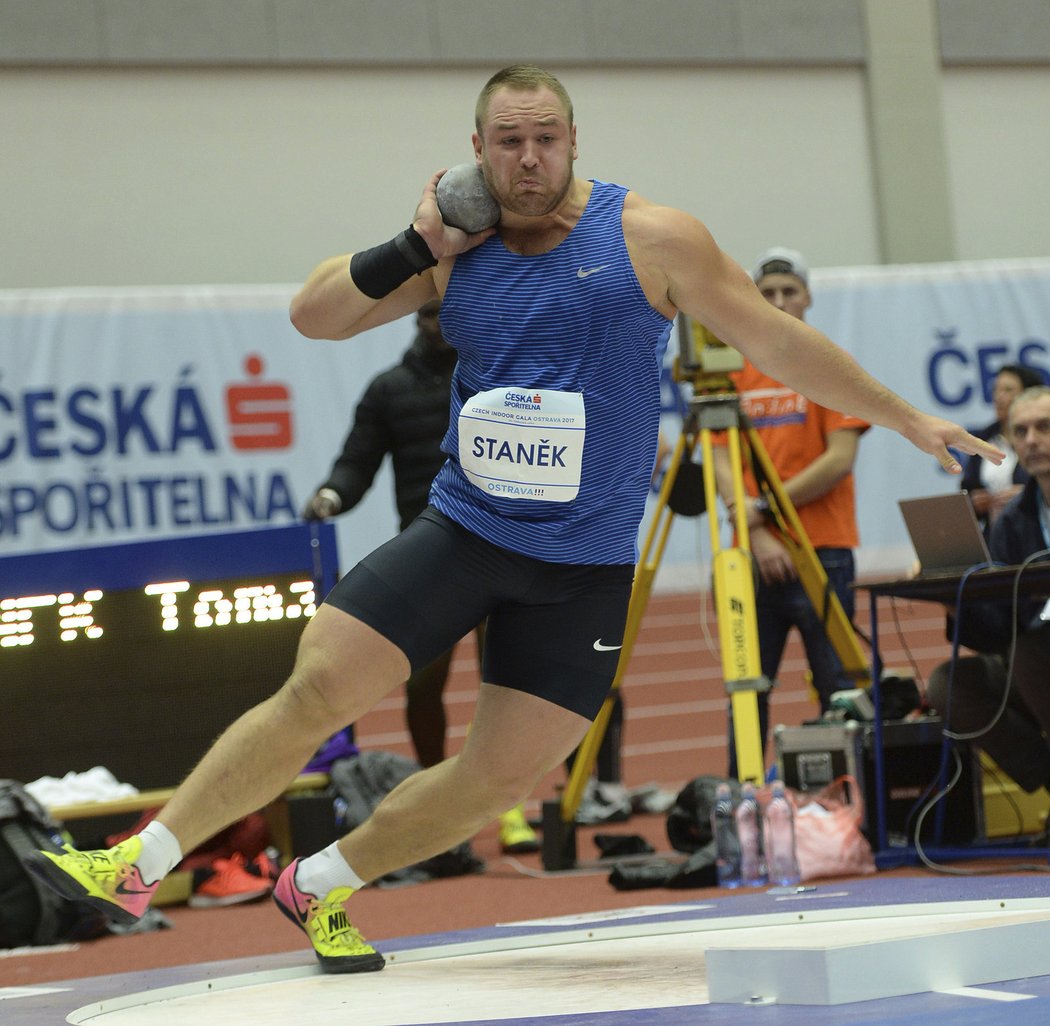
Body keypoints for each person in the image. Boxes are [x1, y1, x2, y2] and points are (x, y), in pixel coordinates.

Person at [29, 64, 1001, 976]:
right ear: (476, 149)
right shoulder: (456, 248)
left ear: (574, 141)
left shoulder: (653, 239)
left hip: (582, 565)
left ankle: (318, 882)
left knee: (501, 779)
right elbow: (313, 316)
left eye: (544, 139)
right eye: (507, 141)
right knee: (320, 682)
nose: (527, 159)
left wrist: (906, 416)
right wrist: (417, 245)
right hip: (464, 532)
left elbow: (776, 339)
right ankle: (138, 861)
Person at [300, 301, 537, 853]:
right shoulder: (389, 390)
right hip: (430, 554)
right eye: (427, 316)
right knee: (424, 684)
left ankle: (511, 810)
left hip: (505, 545)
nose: (435, 324)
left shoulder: (497, 377)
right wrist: (331, 494)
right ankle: (441, 800)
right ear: (416, 321)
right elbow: (357, 462)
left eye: (444, 315)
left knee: (501, 684)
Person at [710, 247, 870, 777]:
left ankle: (857, 804)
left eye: (789, 292)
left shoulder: (832, 364)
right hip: (753, 555)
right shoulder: (733, 371)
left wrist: (757, 508)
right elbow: (717, 455)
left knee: (838, 688)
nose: (778, 302)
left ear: (807, 299)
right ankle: (743, 804)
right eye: (768, 293)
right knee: (746, 689)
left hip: (822, 549)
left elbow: (839, 460)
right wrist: (755, 531)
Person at [927, 385, 1050, 799]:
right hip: (1034, 661)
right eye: (1021, 432)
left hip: (1036, 658)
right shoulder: (1013, 521)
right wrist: (953, 598)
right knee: (950, 682)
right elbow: (1000, 630)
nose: (1031, 440)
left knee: (1032, 653)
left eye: (1044, 427)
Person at [959, 363, 1044, 534]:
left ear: (1028, 395)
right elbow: (967, 490)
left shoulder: (1039, 440)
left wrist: (1027, 496)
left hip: (1037, 529)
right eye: (996, 390)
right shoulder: (982, 438)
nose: (999, 397)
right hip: (997, 534)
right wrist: (973, 503)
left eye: (1008, 390)